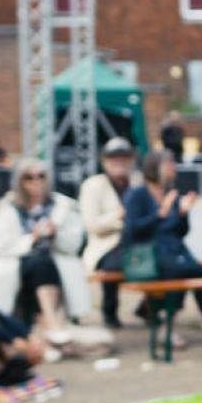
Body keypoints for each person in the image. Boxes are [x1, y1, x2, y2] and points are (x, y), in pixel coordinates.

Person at [0, 160, 94, 341]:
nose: (36, 181)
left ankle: (48, 321)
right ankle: (50, 322)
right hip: (18, 262)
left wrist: (55, 234)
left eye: (41, 176)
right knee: (38, 262)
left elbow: (74, 244)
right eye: (29, 177)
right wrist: (31, 239)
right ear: (20, 182)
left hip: (55, 260)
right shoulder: (10, 206)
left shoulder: (62, 205)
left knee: (43, 263)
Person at [123, 150, 202, 345]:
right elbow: (133, 230)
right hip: (149, 251)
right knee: (177, 272)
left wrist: (184, 213)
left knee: (199, 271)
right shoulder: (137, 195)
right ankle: (167, 328)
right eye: (169, 164)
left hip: (175, 248)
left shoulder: (172, 193)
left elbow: (181, 232)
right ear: (156, 167)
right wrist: (159, 214)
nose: (174, 169)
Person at [80, 138, 139, 329]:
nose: (120, 163)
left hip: (137, 242)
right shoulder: (93, 185)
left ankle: (148, 307)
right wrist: (120, 217)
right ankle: (109, 309)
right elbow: (91, 224)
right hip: (106, 245)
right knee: (115, 265)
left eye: (124, 158)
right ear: (105, 162)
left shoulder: (138, 182)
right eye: (114, 158)